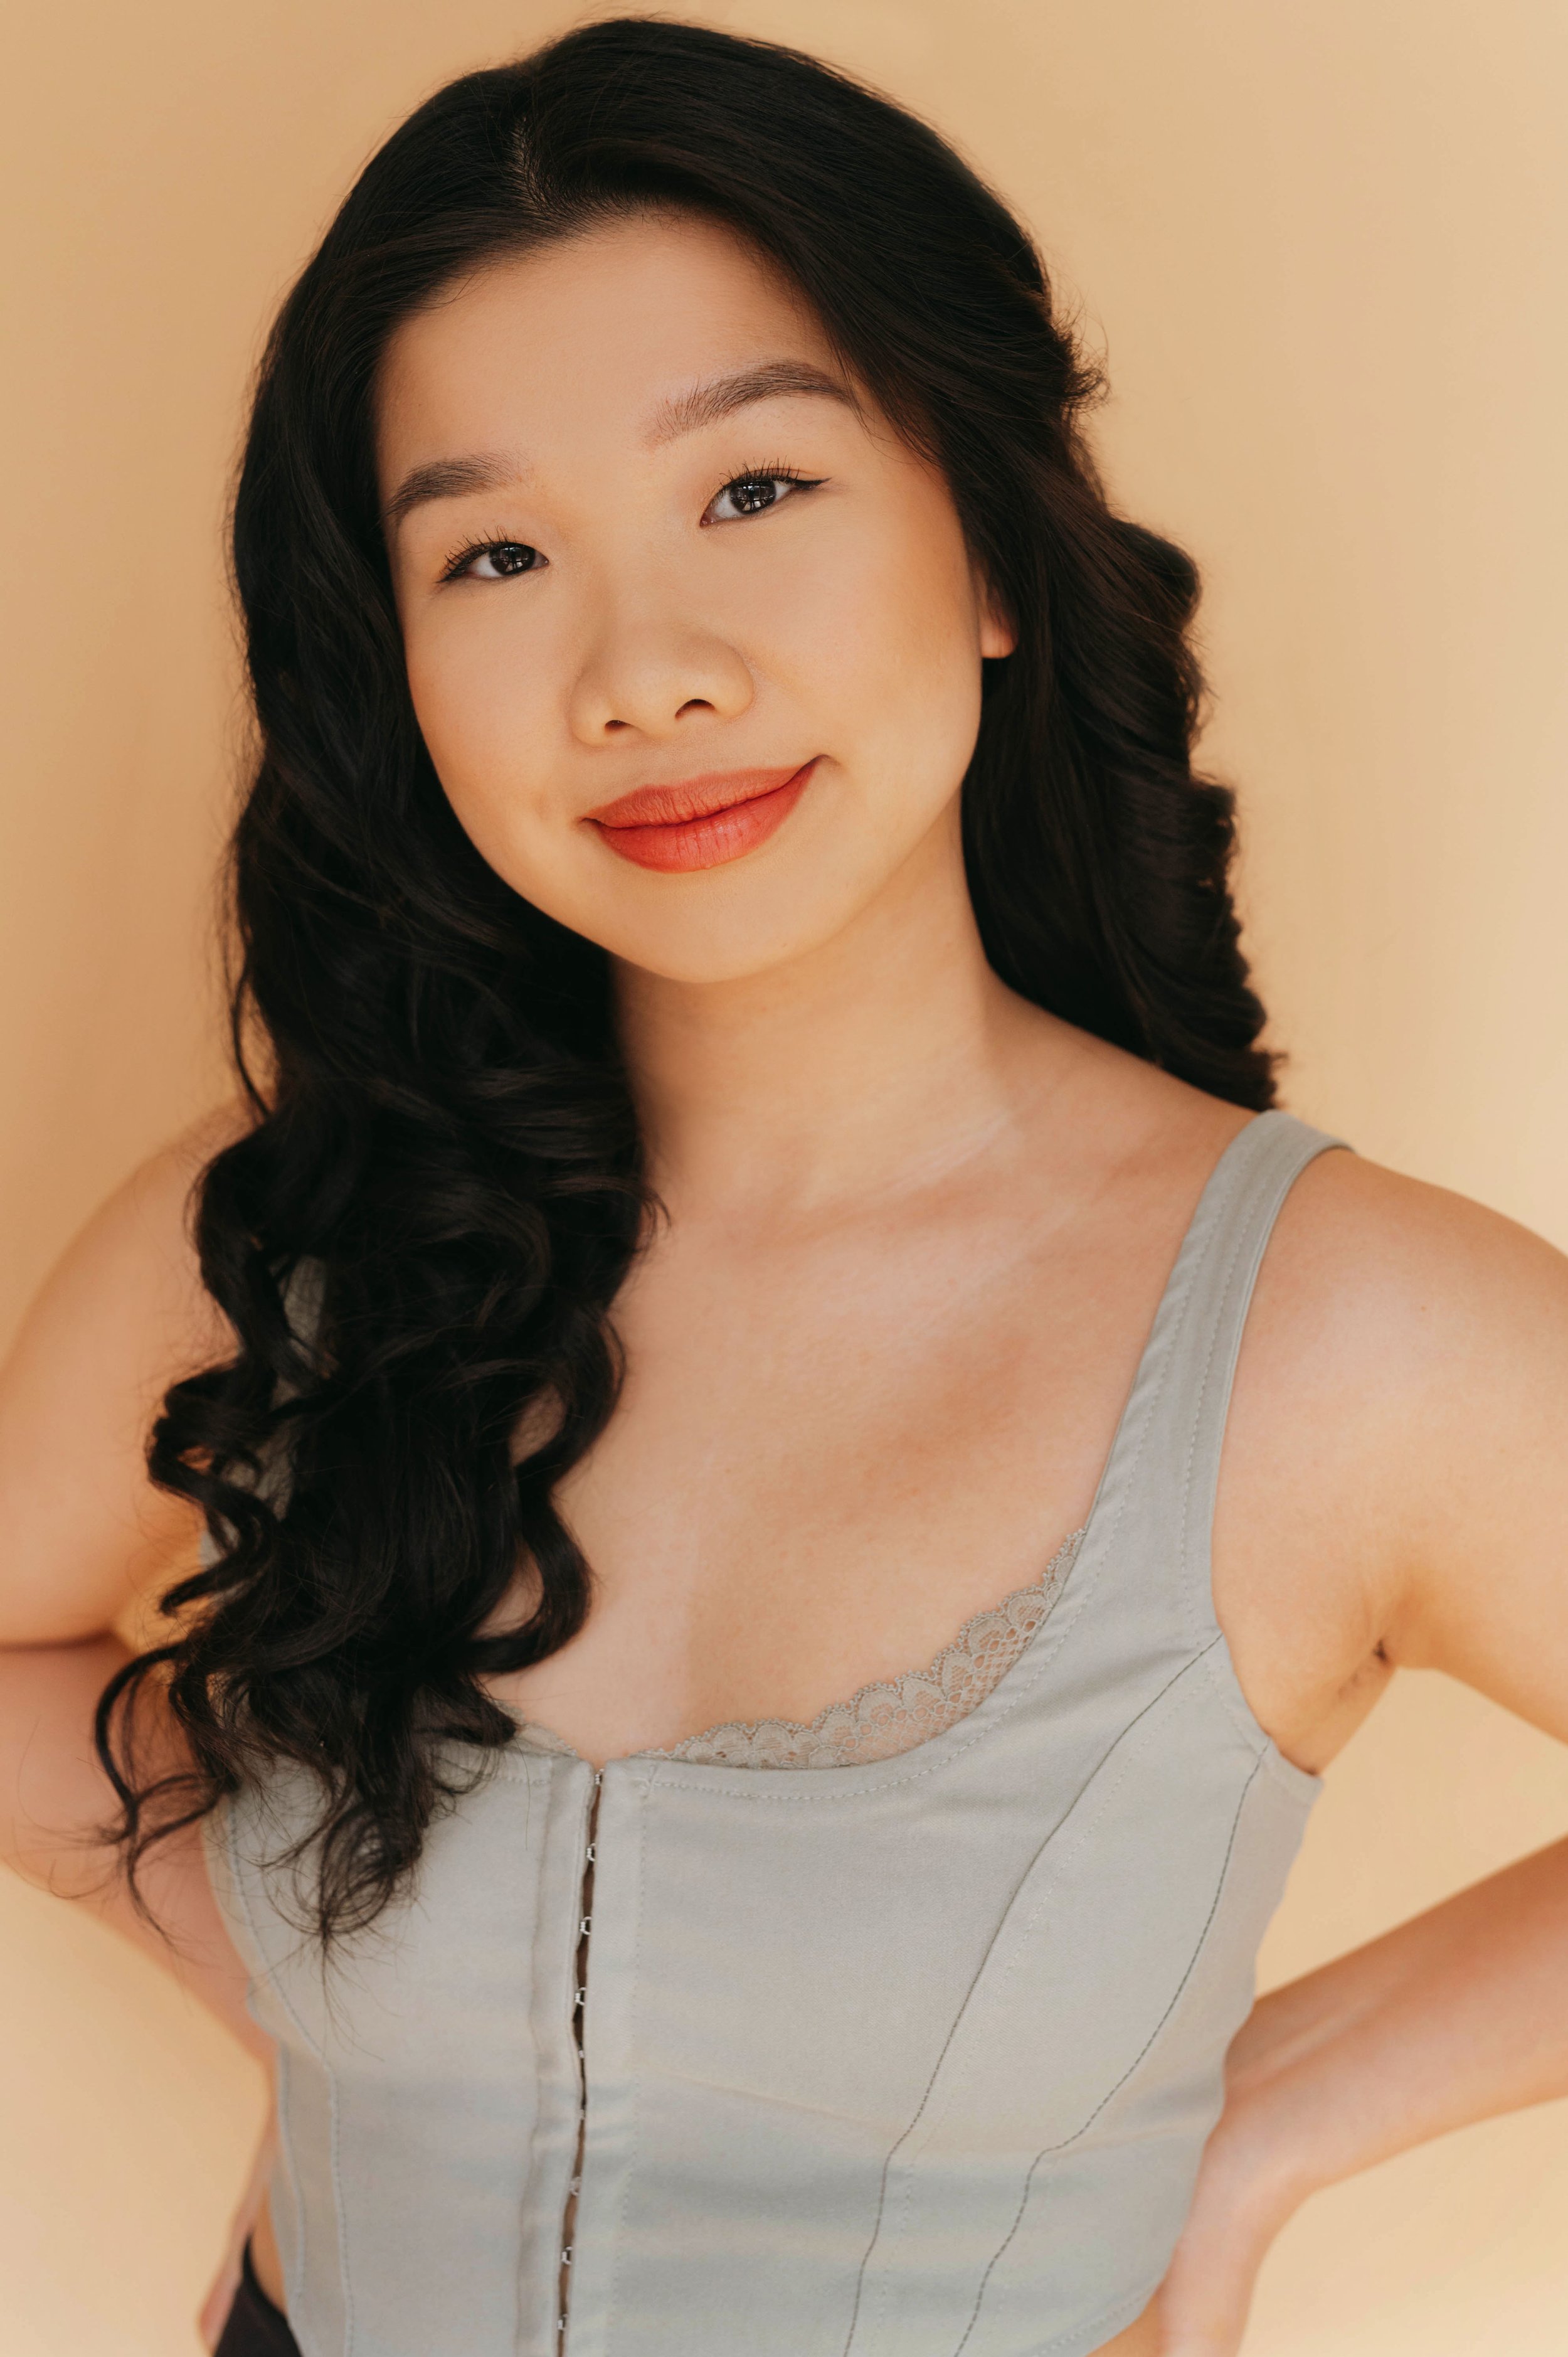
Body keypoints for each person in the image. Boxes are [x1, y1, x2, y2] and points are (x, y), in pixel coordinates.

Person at [1, 17, 1565, 2356]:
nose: (643, 674)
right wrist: (348, 2002)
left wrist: (1266, 2121)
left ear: (993, 550)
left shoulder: (1344, 1342)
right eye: (495, 553)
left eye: (751, 490)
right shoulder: (298, 1236)